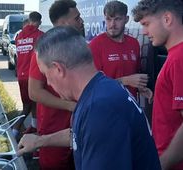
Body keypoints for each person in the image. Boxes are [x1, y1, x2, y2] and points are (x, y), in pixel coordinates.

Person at [18, 26, 161, 170]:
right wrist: (40, 141)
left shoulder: (100, 108)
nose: (48, 82)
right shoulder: (99, 90)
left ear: (58, 69)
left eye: (46, 75)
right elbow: (81, 133)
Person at [27, 0, 84, 169]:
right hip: (53, 131)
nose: (81, 21)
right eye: (77, 18)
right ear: (63, 23)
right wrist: (69, 106)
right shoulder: (45, 49)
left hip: (80, 128)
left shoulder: (80, 46)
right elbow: (34, 92)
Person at [132, 0, 183, 169]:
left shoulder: (178, 58)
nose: (144, 32)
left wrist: (162, 164)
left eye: (146, 24)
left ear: (167, 19)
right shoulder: (175, 56)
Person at [89, 1, 152, 99]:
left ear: (126, 19)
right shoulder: (95, 44)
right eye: (108, 19)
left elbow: (134, 75)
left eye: (117, 19)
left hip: (130, 107)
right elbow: (93, 85)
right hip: (106, 107)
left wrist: (141, 88)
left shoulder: (134, 43)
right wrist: (125, 81)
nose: (112, 24)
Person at [12, 12, 43, 137]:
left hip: (21, 75)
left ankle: (30, 129)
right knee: (33, 106)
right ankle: (15, 132)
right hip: (33, 76)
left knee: (28, 106)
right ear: (39, 21)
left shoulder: (19, 37)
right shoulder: (40, 35)